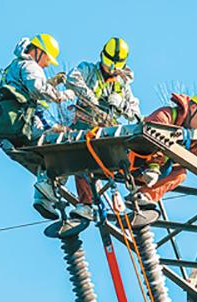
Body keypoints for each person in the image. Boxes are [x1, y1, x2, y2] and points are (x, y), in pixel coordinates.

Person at [0, 33, 75, 220]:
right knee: (59, 144)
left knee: (46, 150)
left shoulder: (16, 64)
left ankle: (42, 199)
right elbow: (36, 88)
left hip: (9, 125)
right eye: (47, 60)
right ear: (38, 52)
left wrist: (51, 83)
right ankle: (46, 186)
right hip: (25, 122)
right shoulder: (30, 65)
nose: (47, 65)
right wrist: (62, 95)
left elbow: (27, 88)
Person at [65, 37, 141, 219]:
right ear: (102, 56)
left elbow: (137, 115)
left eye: (116, 64)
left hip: (107, 132)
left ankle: (139, 195)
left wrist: (122, 104)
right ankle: (86, 204)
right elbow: (72, 78)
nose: (111, 68)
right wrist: (90, 98)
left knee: (130, 156)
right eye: (108, 62)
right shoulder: (88, 70)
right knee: (80, 159)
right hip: (84, 127)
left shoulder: (122, 85)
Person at [127, 91, 197, 209]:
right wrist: (153, 167)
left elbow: (195, 146)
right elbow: (151, 141)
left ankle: (144, 196)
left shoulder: (186, 132)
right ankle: (141, 185)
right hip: (136, 163)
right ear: (193, 107)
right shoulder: (165, 115)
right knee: (156, 144)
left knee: (180, 174)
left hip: (152, 173)